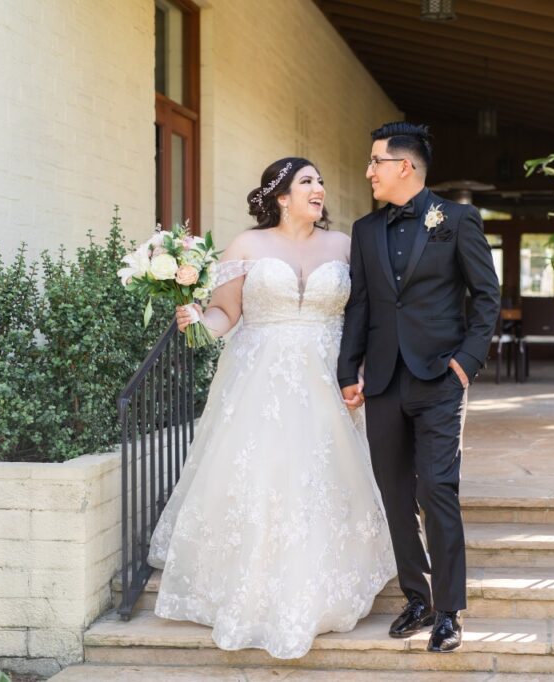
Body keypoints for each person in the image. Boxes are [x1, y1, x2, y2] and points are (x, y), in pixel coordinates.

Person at [147, 157, 395, 660]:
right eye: (307, 182)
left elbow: (366, 316)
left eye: (321, 181)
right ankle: (251, 589)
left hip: (329, 379)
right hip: (259, 380)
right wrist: (196, 319)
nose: (319, 188)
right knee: (263, 475)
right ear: (281, 196)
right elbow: (226, 313)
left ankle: (324, 584)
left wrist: (364, 369)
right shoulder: (247, 246)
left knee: (322, 477)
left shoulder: (346, 246)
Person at [338, 122, 501, 653]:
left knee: (437, 489)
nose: (368, 172)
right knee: (394, 492)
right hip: (383, 379)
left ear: (403, 166)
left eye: (374, 162)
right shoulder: (365, 231)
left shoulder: (457, 220)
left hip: (439, 377)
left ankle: (449, 610)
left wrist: (466, 363)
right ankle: (417, 596)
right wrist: (349, 370)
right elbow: (360, 303)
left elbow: (486, 297)